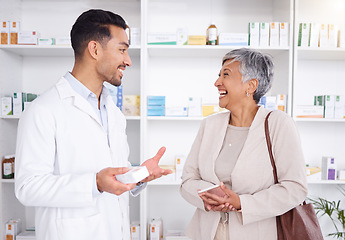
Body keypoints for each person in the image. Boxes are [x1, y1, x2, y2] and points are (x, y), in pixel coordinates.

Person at [15, 9, 171, 240]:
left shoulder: (113, 112)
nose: (128, 61)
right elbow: (28, 188)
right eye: (122, 50)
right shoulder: (44, 109)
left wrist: (138, 176)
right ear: (94, 49)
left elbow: (112, 174)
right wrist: (94, 183)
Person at [180, 48, 307, 240]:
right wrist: (207, 198)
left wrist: (241, 203)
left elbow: (295, 187)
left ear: (251, 85)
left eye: (226, 75)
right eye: (219, 75)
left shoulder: (278, 123)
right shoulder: (210, 125)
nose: (217, 82)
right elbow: (188, 181)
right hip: (207, 232)